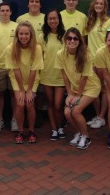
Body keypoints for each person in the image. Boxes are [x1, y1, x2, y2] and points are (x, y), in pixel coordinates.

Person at [55, 28, 101, 150]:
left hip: (91, 87)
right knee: (67, 113)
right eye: (69, 38)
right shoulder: (60, 54)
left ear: (79, 41)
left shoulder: (86, 54)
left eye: (75, 38)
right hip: (75, 89)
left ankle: (86, 137)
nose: (72, 40)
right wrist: (69, 94)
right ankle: (79, 133)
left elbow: (85, 78)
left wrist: (78, 96)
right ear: (65, 40)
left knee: (75, 111)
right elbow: (64, 75)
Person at [6, 22, 44, 144]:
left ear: (31, 34)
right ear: (17, 34)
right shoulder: (10, 48)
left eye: (26, 34)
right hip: (18, 81)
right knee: (20, 104)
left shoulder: (37, 48)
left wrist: (29, 91)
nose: (24, 36)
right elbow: (15, 70)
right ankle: (20, 131)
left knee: (29, 104)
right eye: (21, 33)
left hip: (32, 80)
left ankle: (32, 131)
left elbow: (34, 70)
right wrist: (22, 90)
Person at [0, 2, 19, 133]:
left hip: (14, 67)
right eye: (2, 10)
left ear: (11, 12)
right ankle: (0, 119)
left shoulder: (17, 27)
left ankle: (14, 120)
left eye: (7, 10)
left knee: (14, 94)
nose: (5, 13)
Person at [85, 0, 110, 129]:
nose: (98, 6)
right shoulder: (90, 21)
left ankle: (102, 116)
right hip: (90, 61)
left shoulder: (109, 22)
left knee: (104, 90)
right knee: (94, 89)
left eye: (101, 4)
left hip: (103, 61)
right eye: (96, 3)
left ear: (105, 6)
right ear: (93, 5)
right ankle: (98, 116)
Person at [37, 9, 66, 141]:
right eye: (50, 19)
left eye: (55, 18)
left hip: (61, 76)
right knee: (50, 103)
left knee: (58, 105)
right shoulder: (42, 37)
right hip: (47, 75)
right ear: (46, 21)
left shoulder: (66, 36)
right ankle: (54, 129)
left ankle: (60, 127)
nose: (52, 21)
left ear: (59, 20)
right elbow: (39, 57)